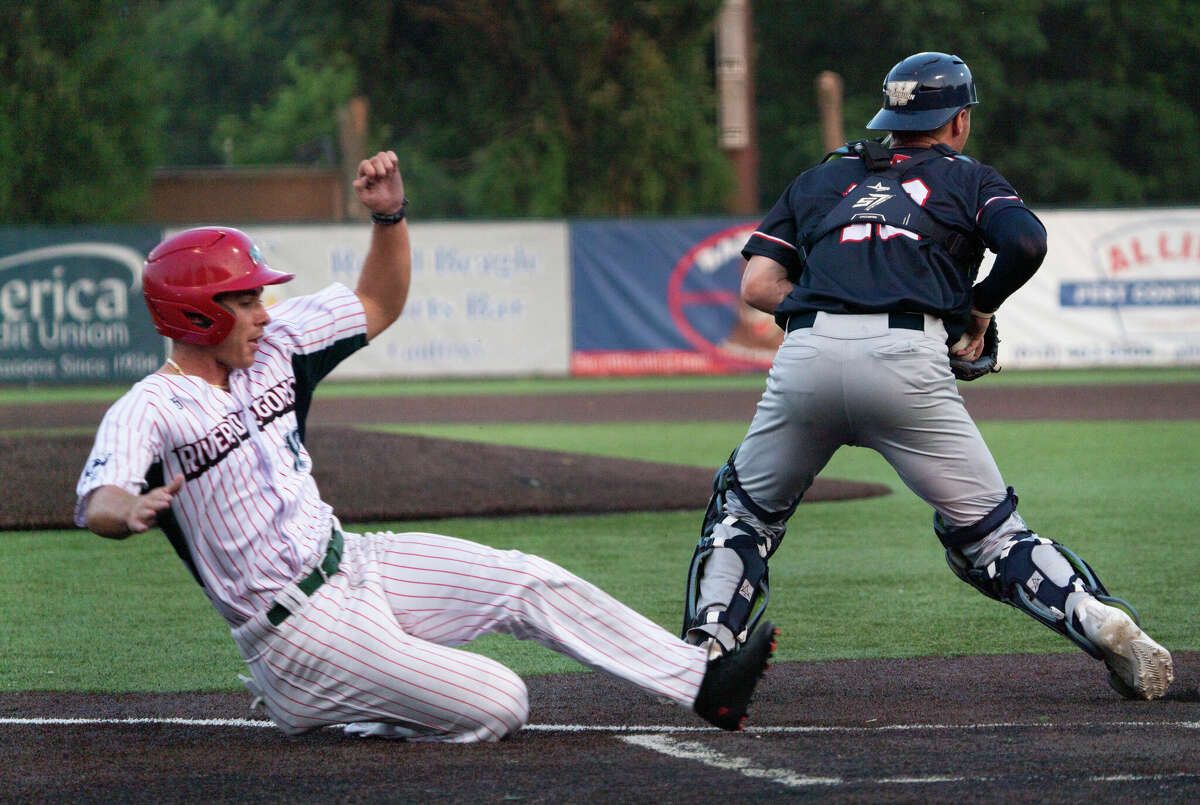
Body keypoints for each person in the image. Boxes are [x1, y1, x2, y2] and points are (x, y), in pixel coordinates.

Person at [75, 150, 777, 742]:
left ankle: (704, 682)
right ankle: (325, 703)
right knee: (503, 702)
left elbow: (378, 302)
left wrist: (389, 217)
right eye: (245, 299)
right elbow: (101, 494)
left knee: (528, 578)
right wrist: (124, 509)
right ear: (195, 312)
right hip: (294, 632)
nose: (263, 310)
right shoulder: (152, 406)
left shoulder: (274, 349)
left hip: (357, 560)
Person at [680, 53, 1174, 700]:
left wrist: (833, 297)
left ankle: (706, 649)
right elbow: (1025, 244)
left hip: (808, 357)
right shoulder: (968, 177)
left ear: (890, 113)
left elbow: (757, 284)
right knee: (993, 540)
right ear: (959, 120)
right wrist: (978, 305)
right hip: (909, 360)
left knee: (743, 515)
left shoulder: (823, 179)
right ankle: (1100, 620)